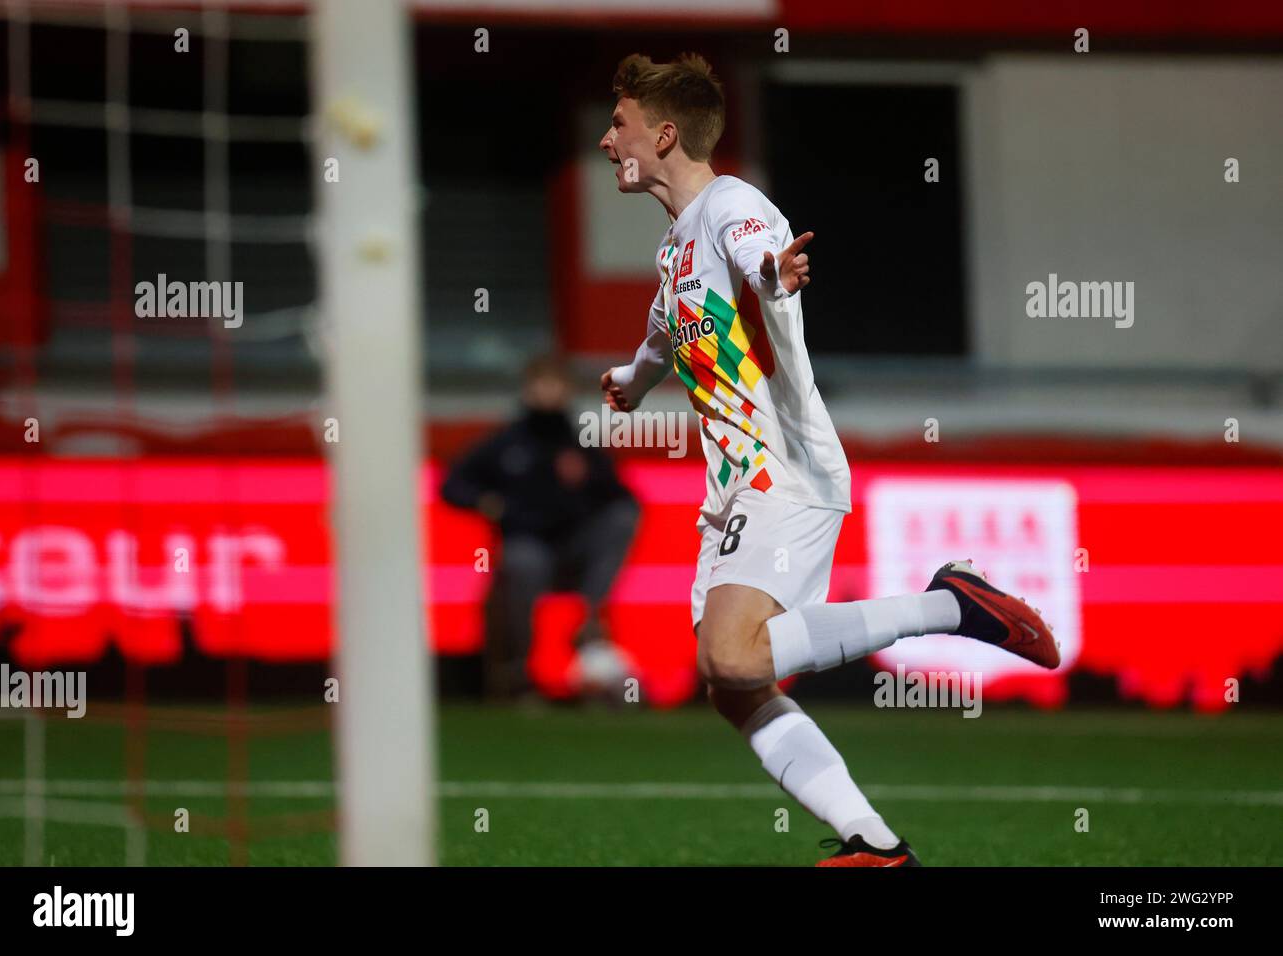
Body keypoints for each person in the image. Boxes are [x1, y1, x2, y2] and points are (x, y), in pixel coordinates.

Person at [598, 53, 1059, 866]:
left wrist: (775, 277)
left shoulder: (734, 207)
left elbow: (757, 259)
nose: (608, 140)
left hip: (788, 470)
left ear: (664, 136)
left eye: (620, 125)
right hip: (736, 488)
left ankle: (951, 607)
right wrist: (633, 382)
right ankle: (875, 847)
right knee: (733, 689)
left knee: (734, 655)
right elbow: (666, 335)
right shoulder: (675, 252)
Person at [441, 355, 639, 702]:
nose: (549, 393)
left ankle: (590, 624)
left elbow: (620, 496)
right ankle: (519, 677)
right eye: (542, 385)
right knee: (522, 562)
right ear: (527, 390)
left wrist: (587, 482)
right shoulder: (506, 443)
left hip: (575, 548)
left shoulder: (580, 443)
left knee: (622, 517)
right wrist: (487, 502)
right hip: (528, 544)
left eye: (557, 386)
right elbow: (452, 485)